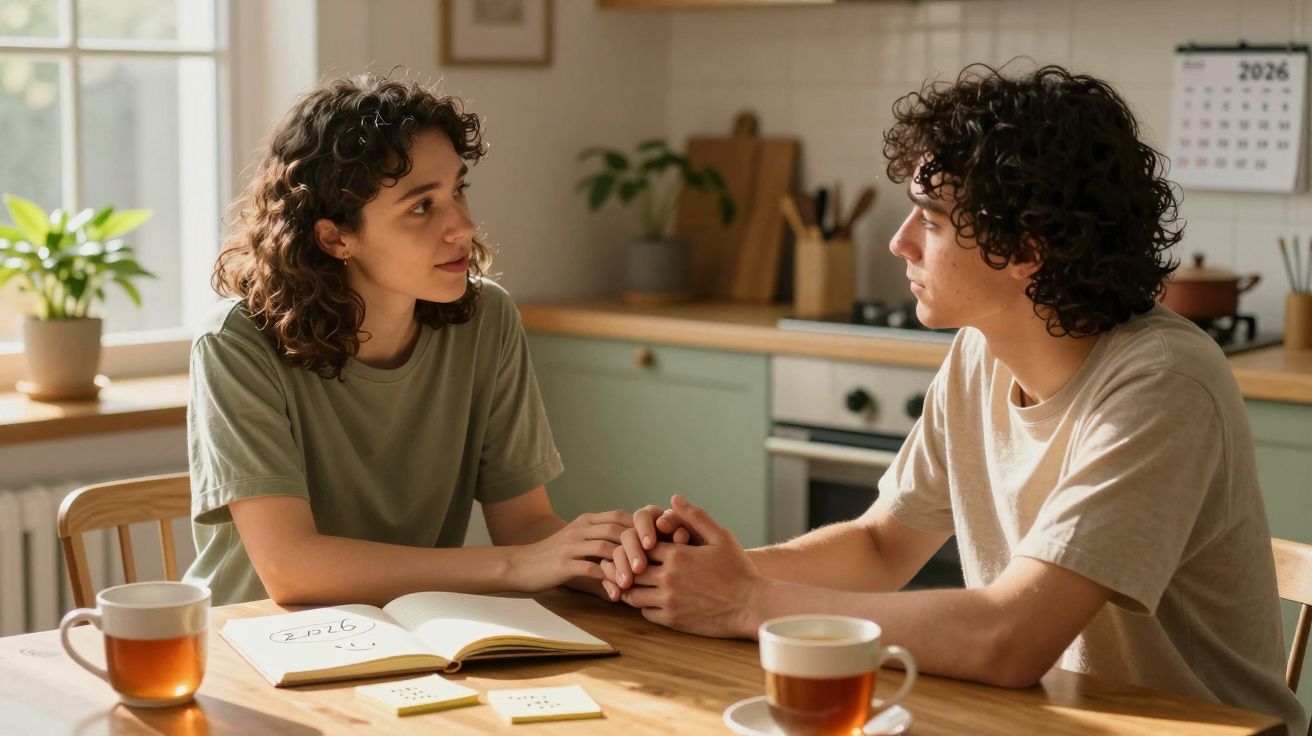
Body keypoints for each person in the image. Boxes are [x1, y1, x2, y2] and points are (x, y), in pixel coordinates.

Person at [603, 64, 1306, 733]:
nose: (897, 242)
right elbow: (881, 545)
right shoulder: (981, 349)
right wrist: (705, 572)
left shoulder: (1161, 382)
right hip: (1044, 719)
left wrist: (746, 603)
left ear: (1027, 250)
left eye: (930, 221)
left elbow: (1011, 639)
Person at [182, 74, 629, 607]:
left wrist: (619, 562)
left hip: (418, 639)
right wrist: (515, 566)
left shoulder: (487, 320)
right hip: (259, 651)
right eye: (422, 206)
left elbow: (526, 524)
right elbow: (290, 568)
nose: (462, 225)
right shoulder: (235, 343)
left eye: (457, 191)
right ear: (336, 236)